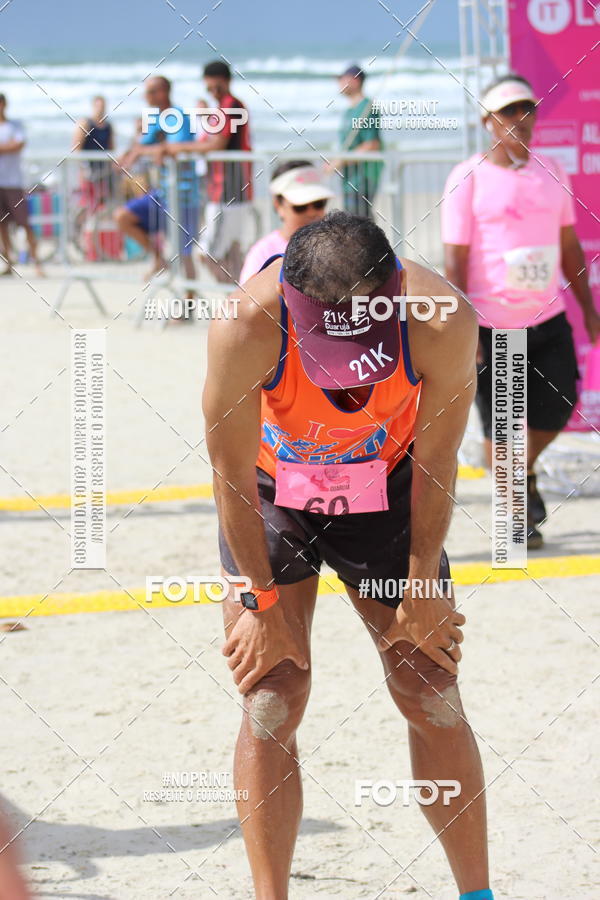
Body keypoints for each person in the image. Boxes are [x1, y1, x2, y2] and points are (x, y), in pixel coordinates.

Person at [204, 211, 495, 900]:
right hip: (276, 494)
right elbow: (231, 478)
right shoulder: (245, 324)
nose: (344, 378)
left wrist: (424, 582)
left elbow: (438, 460)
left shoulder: (443, 318)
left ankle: (478, 894)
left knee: (431, 690)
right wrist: (259, 597)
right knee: (272, 695)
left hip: (390, 488)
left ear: (394, 293)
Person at [442, 73, 600, 549]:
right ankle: (517, 518)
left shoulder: (552, 169)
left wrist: (590, 313)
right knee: (502, 430)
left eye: (526, 110)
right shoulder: (467, 177)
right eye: (509, 112)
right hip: (494, 325)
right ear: (488, 121)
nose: (520, 120)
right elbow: (456, 260)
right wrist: (461, 329)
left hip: (548, 317)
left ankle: (522, 474)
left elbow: (569, 245)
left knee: (558, 408)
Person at [162, 60, 253, 283]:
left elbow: (216, 145)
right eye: (209, 88)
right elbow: (207, 141)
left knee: (207, 253)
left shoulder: (230, 106)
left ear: (227, 82)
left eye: (216, 87)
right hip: (225, 188)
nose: (212, 92)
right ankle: (239, 302)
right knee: (230, 253)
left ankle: (235, 300)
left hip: (228, 189)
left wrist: (178, 148)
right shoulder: (222, 108)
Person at [114, 76, 199, 281]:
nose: (146, 96)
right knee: (122, 217)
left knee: (184, 255)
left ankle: (186, 307)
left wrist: (149, 151)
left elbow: (173, 150)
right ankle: (159, 259)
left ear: (163, 92)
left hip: (184, 196)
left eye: (151, 92)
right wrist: (129, 154)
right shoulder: (157, 118)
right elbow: (143, 146)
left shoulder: (177, 116)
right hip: (162, 194)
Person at [239, 161, 334, 283]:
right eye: (300, 206)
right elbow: (245, 298)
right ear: (278, 205)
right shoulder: (263, 253)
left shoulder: (337, 245)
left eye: (319, 203)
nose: (311, 212)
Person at [0, 93, 43, 276]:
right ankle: (8, 262)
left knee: (25, 223)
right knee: (2, 226)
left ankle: (37, 263)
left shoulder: (14, 125)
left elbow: (18, 145)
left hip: (13, 182)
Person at [336, 63, 383, 219]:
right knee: (352, 220)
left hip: (363, 177)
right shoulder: (349, 110)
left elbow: (372, 145)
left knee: (358, 222)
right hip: (350, 178)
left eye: (342, 79)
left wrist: (340, 161)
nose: (339, 84)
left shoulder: (368, 108)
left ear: (355, 81)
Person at [72, 95, 115, 211]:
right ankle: (80, 225)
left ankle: (95, 227)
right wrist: (81, 168)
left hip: (103, 170)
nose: (101, 109)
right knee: (87, 201)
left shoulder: (108, 126)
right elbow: (76, 147)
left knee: (101, 202)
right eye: (98, 106)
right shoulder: (86, 123)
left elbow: (111, 148)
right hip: (89, 169)